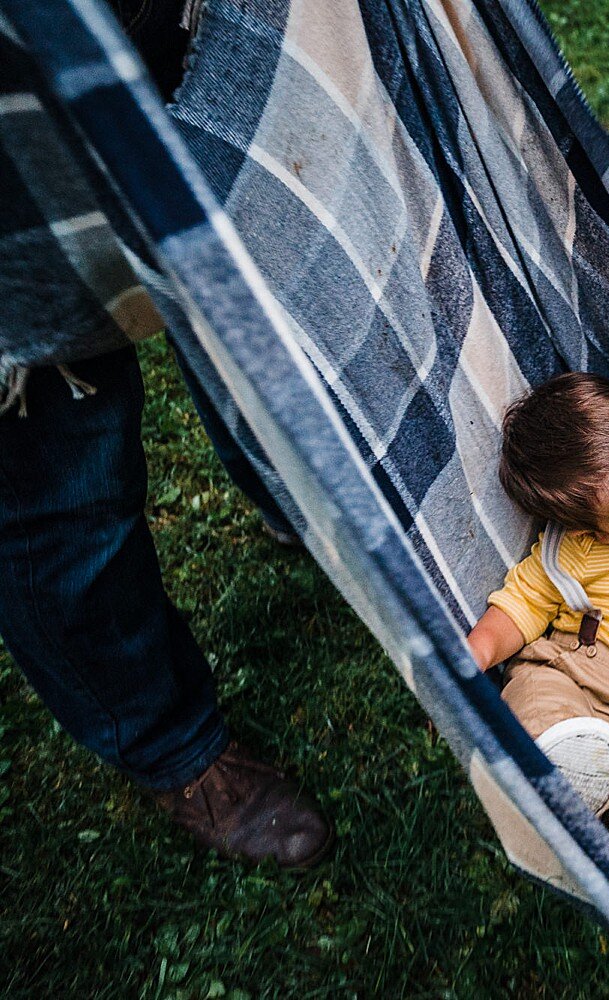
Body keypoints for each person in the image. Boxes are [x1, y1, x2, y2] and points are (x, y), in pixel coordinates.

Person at [0, 1, 331, 869]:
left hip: (155, 27)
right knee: (53, 456)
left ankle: (293, 500)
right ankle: (171, 749)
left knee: (247, 274)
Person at [465, 373, 609, 835]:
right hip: (576, 676)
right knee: (540, 711)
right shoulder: (581, 552)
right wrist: (475, 655)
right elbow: (522, 604)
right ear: (594, 531)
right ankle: (564, 777)